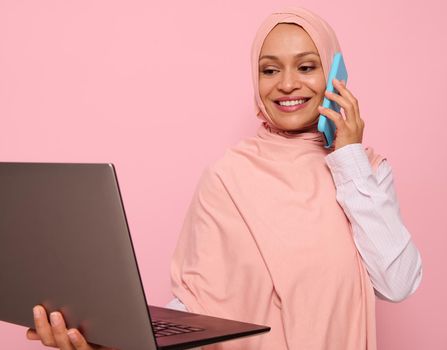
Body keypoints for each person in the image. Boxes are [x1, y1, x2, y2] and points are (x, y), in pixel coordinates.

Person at [26, 6, 422, 350]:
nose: (286, 84)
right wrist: (113, 336)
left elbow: (397, 282)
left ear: (335, 74)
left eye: (306, 66)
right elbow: (200, 306)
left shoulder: (363, 172)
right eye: (270, 69)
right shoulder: (227, 175)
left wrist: (348, 155)